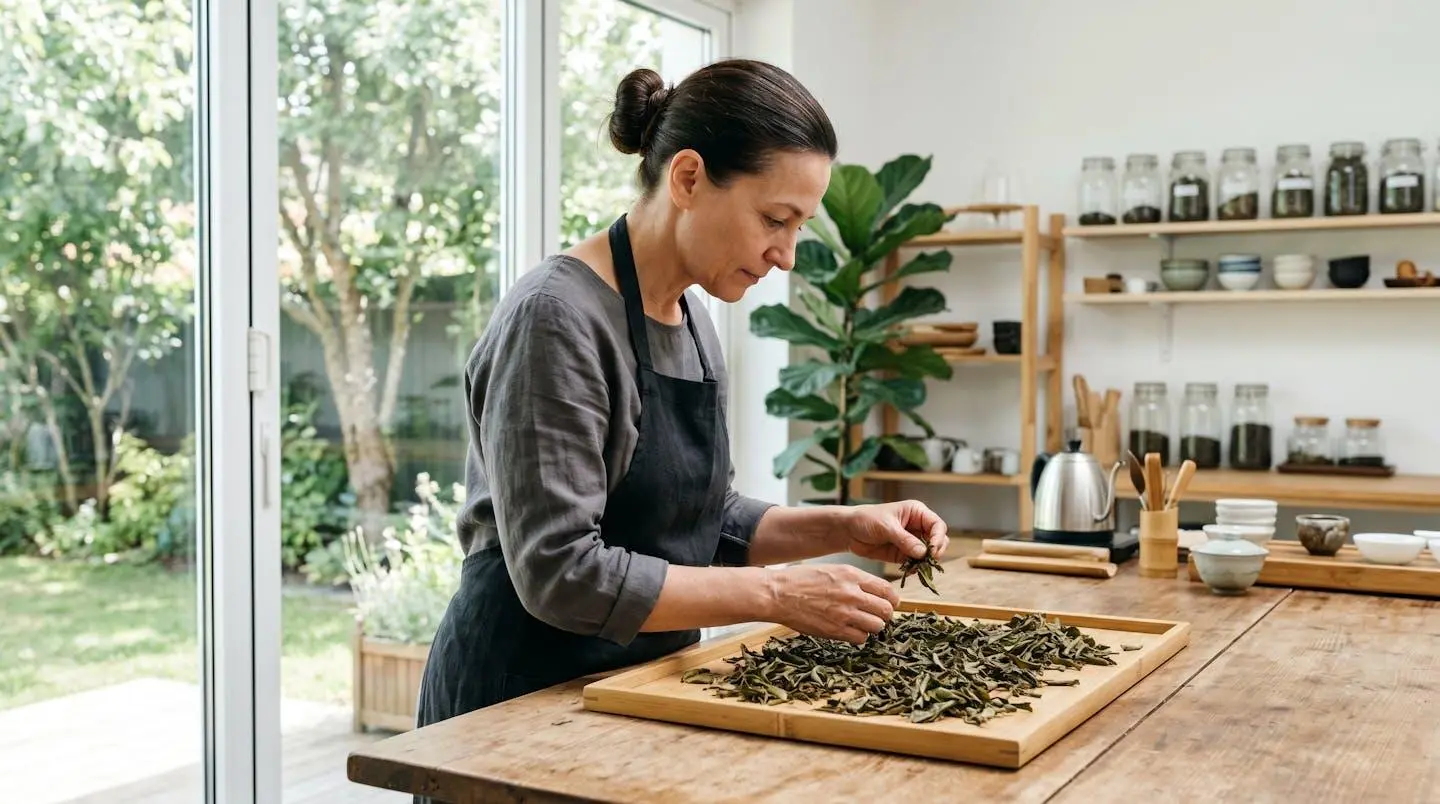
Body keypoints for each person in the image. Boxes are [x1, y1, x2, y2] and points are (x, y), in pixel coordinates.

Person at [415, 58, 950, 733]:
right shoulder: (555, 317)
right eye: (774, 219)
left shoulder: (691, 319)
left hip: (636, 691)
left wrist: (844, 528)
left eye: (799, 228)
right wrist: (778, 595)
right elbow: (561, 573)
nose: (785, 254)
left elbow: (705, 520)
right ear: (689, 178)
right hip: (517, 699)